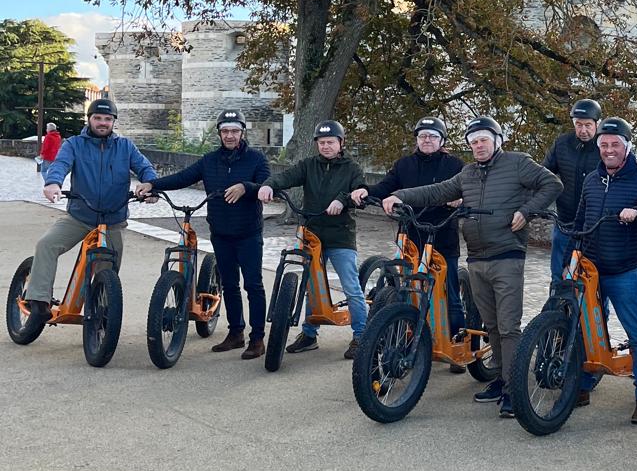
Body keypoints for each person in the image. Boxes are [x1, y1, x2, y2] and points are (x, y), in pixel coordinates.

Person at [393, 115, 562, 416]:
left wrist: (527, 211)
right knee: (491, 325)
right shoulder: (467, 173)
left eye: (484, 140)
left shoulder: (517, 162)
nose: (479, 146)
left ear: (497, 141)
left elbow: (552, 183)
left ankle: (514, 390)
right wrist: (398, 196)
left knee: (508, 326)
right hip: (476, 258)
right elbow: (436, 192)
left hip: (507, 255)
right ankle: (501, 378)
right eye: (473, 142)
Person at [136, 108, 270, 360]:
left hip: (248, 233)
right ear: (219, 133)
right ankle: (236, 333)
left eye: (234, 131)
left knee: (253, 285)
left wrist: (246, 187)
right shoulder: (209, 160)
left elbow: (266, 185)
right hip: (220, 232)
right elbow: (182, 177)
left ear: (242, 132)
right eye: (225, 131)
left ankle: (258, 338)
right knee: (229, 285)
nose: (229, 135)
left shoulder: (256, 159)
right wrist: (153, 184)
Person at [25, 99, 157, 321]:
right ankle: (38, 300)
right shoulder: (74, 144)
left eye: (108, 119)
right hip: (80, 217)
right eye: (97, 118)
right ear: (89, 119)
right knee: (47, 244)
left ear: (113, 122)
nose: (102, 122)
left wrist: (151, 185)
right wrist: (53, 183)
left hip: (113, 220)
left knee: (107, 270)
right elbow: (60, 164)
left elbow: (145, 167)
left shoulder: (126, 147)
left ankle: (102, 314)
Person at [350, 116, 467, 356]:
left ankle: (456, 341)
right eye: (422, 136)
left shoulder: (455, 165)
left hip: (442, 236)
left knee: (450, 293)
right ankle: (409, 337)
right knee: (407, 290)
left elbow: (470, 191)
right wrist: (365, 191)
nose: (427, 140)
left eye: (433, 136)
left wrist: (461, 200)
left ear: (442, 140)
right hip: (411, 237)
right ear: (416, 140)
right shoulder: (404, 164)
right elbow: (385, 187)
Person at [257, 121, 369, 360]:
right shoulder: (308, 165)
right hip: (312, 234)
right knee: (312, 286)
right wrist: (268, 185)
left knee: (351, 287)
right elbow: (287, 176)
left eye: (331, 142)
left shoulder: (352, 168)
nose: (326, 146)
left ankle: (361, 336)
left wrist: (343, 200)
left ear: (341, 143)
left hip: (340, 236)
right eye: (322, 142)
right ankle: (309, 335)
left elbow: (360, 191)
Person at [573, 116, 637, 424]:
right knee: (586, 328)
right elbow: (581, 221)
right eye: (604, 145)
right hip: (590, 269)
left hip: (624, 270)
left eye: (615, 145)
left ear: (627, 147)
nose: (609, 150)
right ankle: (583, 385)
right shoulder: (591, 180)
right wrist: (573, 256)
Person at [544, 99, 603, 279]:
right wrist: (537, 204)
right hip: (566, 222)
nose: (583, 130)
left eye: (588, 125)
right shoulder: (562, 144)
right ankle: (558, 298)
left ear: (597, 123)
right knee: (559, 275)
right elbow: (544, 175)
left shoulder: (606, 147)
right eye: (578, 125)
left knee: (593, 278)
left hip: (595, 225)